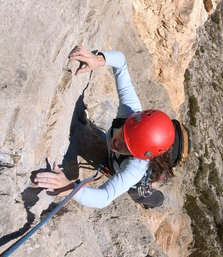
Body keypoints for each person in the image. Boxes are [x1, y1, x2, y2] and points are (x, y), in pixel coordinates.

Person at [34, 46, 176, 208]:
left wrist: (70, 188)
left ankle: (156, 198)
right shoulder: (129, 113)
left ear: (138, 155)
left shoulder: (136, 167)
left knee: (140, 195)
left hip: (133, 176)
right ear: (130, 121)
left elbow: (104, 198)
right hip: (118, 161)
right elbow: (121, 63)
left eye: (129, 147)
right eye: (125, 134)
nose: (119, 143)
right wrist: (98, 60)